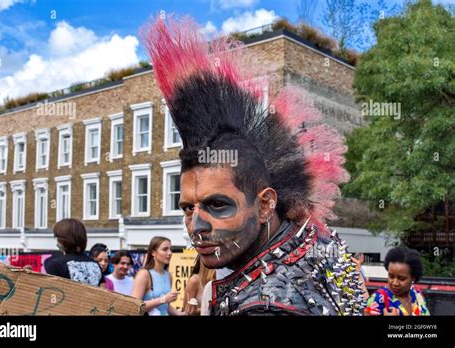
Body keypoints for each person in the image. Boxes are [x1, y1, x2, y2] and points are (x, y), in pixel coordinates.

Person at [140, 15, 366, 315]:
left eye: (217, 205)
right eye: (187, 208)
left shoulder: (263, 306)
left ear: (265, 204)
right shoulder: (310, 240)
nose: (196, 227)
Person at [365, 247, 430, 316]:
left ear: (413, 277)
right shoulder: (378, 299)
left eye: (401, 279)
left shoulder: (417, 294)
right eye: (391, 276)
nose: (395, 283)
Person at [132, 237, 184, 315]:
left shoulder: (169, 276)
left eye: (170, 249)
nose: (170, 253)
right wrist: (163, 299)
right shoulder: (144, 274)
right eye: (165, 249)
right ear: (153, 252)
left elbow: (166, 307)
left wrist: (182, 314)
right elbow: (134, 306)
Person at [45, 219, 104, 287]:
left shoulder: (56, 265)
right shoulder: (95, 264)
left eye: (57, 238)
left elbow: (51, 292)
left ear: (62, 240)